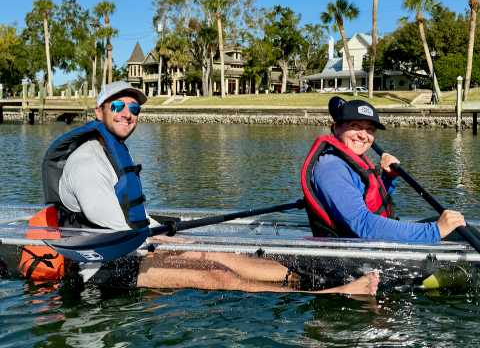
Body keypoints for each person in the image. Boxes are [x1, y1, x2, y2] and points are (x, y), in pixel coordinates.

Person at [34, 82, 380, 294]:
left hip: (128, 251)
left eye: (134, 107)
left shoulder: (109, 149)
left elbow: (130, 215)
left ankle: (304, 279)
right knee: (217, 275)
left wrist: (172, 237)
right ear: (99, 111)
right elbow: (118, 232)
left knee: (212, 254)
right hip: (98, 268)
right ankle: (336, 293)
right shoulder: (89, 163)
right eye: (119, 106)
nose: (128, 113)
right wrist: (164, 238)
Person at [302, 96, 468, 242]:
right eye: (355, 125)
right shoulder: (332, 169)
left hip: (371, 242)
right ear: (336, 127)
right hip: (359, 255)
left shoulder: (350, 159)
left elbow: (369, 200)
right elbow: (364, 224)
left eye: (370, 129)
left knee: (460, 228)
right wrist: (435, 231)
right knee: (458, 234)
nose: (363, 135)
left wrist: (388, 178)